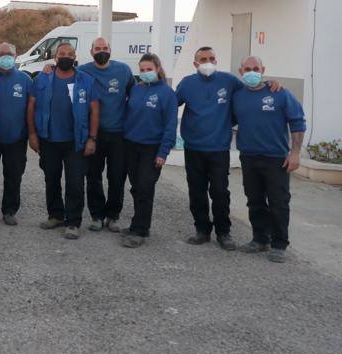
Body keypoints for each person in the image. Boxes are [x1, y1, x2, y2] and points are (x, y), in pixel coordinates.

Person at [175, 46, 284, 250]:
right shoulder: (187, 84)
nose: (207, 62)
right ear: (195, 63)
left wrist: (270, 83)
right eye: (203, 59)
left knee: (220, 192)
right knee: (197, 192)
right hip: (194, 148)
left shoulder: (229, 81)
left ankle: (223, 232)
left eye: (211, 58)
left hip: (219, 148)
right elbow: (170, 103)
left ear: (216, 61)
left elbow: (253, 89)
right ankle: (202, 230)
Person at [233, 56, 306, 263]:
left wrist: (295, 153)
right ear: (241, 72)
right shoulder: (237, 96)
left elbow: (297, 122)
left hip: (276, 158)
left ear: (263, 69)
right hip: (248, 156)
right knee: (254, 200)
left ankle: (279, 244)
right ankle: (260, 239)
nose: (251, 72)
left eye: (255, 68)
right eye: (247, 69)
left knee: (279, 202)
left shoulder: (279, 93)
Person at [27, 42, 99, 240]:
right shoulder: (43, 77)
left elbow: (94, 110)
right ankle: (55, 215)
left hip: (76, 141)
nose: (66, 56)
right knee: (51, 179)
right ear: (55, 57)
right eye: (62, 54)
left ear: (75, 56)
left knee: (75, 183)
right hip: (48, 140)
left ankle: (73, 222)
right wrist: (32, 134)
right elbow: (31, 106)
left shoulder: (85, 80)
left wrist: (92, 138)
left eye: (70, 54)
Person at [78, 37, 134, 233]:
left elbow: (135, 94)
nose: (102, 51)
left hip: (119, 134)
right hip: (94, 134)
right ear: (91, 51)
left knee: (117, 176)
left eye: (105, 48)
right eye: (97, 48)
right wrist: (48, 68)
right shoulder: (83, 71)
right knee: (93, 176)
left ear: (110, 50)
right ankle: (96, 215)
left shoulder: (123, 70)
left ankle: (113, 216)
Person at [120, 54, 177, 248]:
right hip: (131, 146)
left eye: (149, 69)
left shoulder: (167, 94)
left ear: (158, 68)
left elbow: (170, 125)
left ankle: (140, 230)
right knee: (136, 187)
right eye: (142, 70)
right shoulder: (136, 89)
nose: (145, 73)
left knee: (145, 187)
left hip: (151, 148)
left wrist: (163, 153)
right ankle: (138, 223)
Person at [0, 42, 32, 225]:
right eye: (1, 54)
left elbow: (31, 108)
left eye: (9, 53)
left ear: (16, 55)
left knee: (14, 175)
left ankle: (10, 211)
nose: (5, 57)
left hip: (16, 137)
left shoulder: (25, 79)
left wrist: (31, 134)